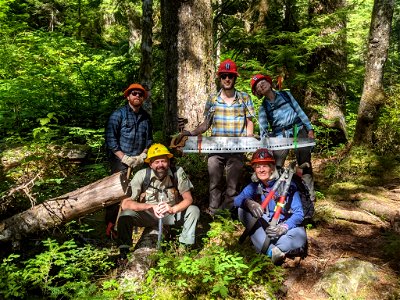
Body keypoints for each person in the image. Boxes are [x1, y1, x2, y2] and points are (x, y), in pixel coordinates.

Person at [174, 59, 255, 216]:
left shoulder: (244, 98)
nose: (227, 79)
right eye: (224, 76)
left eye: (230, 76)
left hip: (237, 148)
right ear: (219, 78)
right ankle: (213, 211)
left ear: (235, 78)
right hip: (215, 147)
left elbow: (249, 122)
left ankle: (228, 212)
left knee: (233, 183)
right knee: (214, 182)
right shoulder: (212, 99)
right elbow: (206, 124)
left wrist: (248, 140)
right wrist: (190, 133)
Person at [116, 143, 200, 257]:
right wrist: (149, 207)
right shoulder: (141, 175)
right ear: (150, 164)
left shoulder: (177, 172)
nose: (160, 165)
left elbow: (188, 199)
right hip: (147, 215)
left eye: (164, 161)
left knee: (194, 210)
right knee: (125, 215)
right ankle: (124, 252)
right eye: (156, 162)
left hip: (171, 215)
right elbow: (125, 204)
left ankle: (185, 248)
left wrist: (172, 209)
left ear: (169, 162)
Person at [234, 148, 307, 265]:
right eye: (258, 166)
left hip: (285, 227)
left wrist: (283, 228)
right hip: (266, 224)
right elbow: (237, 200)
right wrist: (249, 203)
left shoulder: (288, 185)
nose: (261, 170)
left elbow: (299, 214)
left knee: (299, 237)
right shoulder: (255, 185)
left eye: (265, 166)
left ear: (272, 167)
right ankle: (271, 251)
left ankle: (266, 246)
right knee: (242, 211)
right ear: (254, 169)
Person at [250, 74, 315, 202]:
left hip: (298, 130)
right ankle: (277, 197)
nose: (261, 85)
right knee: (277, 166)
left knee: (305, 163)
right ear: (258, 92)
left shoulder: (286, 95)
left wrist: (310, 128)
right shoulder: (263, 107)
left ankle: (309, 198)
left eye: (262, 82)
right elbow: (263, 129)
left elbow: (299, 110)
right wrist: (264, 148)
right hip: (280, 135)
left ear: (269, 82)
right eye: (258, 86)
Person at [104, 83, 153, 238]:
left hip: (138, 160)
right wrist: (123, 157)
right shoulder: (118, 115)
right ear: (128, 96)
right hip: (120, 159)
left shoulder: (146, 118)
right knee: (117, 193)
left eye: (140, 94)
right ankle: (111, 225)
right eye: (134, 93)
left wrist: (142, 156)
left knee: (137, 190)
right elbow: (110, 138)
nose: (137, 96)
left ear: (143, 98)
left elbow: (149, 140)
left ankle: (133, 222)